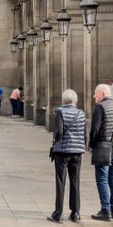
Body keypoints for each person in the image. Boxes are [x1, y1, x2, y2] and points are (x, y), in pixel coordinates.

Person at [47, 89, 86, 223]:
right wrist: (82, 148)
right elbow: (84, 134)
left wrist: (54, 141)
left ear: (63, 100)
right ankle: (75, 213)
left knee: (60, 181)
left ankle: (58, 213)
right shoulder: (81, 113)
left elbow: (58, 132)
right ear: (75, 100)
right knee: (75, 182)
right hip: (77, 152)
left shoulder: (60, 111)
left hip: (62, 152)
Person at [89, 84, 113, 221]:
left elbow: (95, 130)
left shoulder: (100, 107)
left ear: (103, 94)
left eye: (95, 94)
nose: (94, 96)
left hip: (103, 146)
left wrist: (91, 145)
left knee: (102, 179)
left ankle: (105, 210)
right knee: (111, 178)